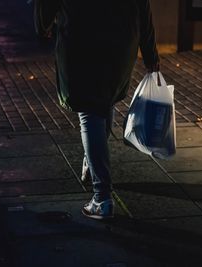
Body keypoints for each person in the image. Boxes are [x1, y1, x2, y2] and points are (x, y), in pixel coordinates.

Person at [34, 0, 160, 220]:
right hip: (121, 42)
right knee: (104, 101)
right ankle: (91, 165)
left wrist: (43, 24)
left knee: (89, 112)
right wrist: (150, 53)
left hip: (80, 41)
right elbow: (143, 8)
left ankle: (102, 198)